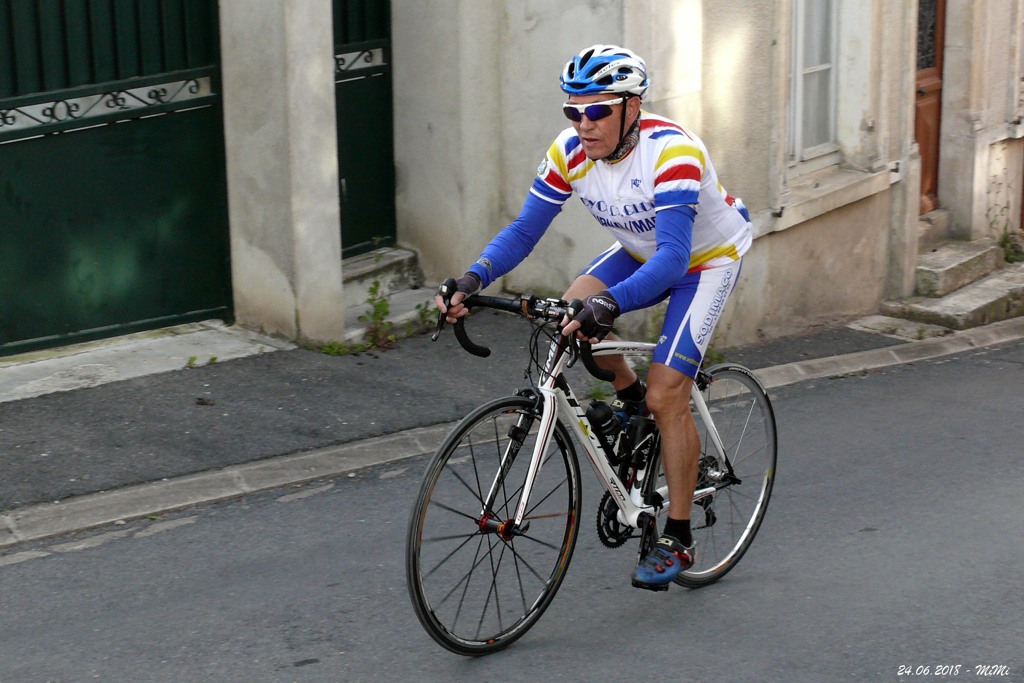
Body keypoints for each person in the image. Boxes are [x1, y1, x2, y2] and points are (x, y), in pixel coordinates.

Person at [435, 44, 752, 590]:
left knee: (667, 395)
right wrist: (472, 278)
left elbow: (674, 259)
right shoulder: (569, 152)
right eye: (573, 111)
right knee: (569, 314)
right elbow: (524, 230)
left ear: (633, 106)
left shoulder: (672, 152)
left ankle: (678, 535)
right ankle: (629, 399)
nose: (584, 124)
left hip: (703, 260)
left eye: (599, 110)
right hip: (640, 249)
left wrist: (610, 303)